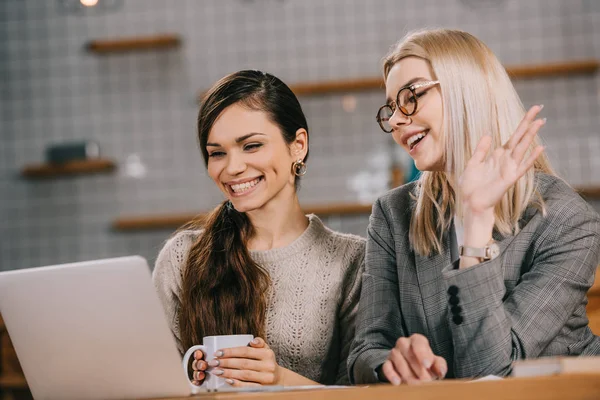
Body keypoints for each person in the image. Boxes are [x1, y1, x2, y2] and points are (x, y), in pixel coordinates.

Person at [348, 28, 600, 385]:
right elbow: (365, 351)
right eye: (390, 107)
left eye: (410, 96)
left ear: (466, 91)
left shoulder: (567, 221)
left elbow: (491, 375)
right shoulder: (392, 214)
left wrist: (477, 220)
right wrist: (393, 364)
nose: (394, 120)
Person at [153, 70, 365, 387]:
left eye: (251, 146)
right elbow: (149, 384)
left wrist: (279, 379)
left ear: (298, 146)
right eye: (217, 153)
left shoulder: (353, 260)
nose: (232, 167)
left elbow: (362, 395)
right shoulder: (183, 257)